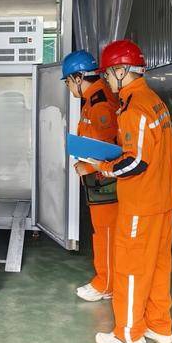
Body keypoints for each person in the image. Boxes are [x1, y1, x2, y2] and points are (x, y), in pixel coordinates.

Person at [87, 40, 172, 343]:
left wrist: (101, 166)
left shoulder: (134, 108)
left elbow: (135, 162)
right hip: (163, 200)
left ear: (121, 70)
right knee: (157, 266)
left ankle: (128, 335)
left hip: (142, 203)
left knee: (130, 268)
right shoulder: (154, 101)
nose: (106, 80)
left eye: (108, 73)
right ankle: (159, 325)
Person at [61, 50, 119, 302]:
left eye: (67, 81)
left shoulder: (100, 102)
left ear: (78, 77)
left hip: (105, 181)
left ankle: (105, 284)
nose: (68, 87)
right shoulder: (92, 99)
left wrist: (90, 168)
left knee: (106, 234)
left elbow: (112, 147)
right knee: (103, 232)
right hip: (98, 180)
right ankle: (108, 281)